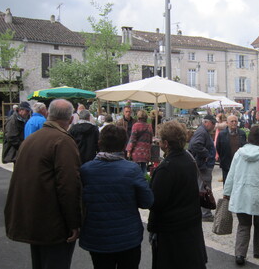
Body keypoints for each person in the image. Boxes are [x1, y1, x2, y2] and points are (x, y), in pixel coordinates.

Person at [4, 99, 82, 269]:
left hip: (33, 217)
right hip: (53, 222)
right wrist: (74, 222)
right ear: (70, 120)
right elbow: (68, 186)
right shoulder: (63, 141)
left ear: (48, 115)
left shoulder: (30, 140)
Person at [79, 124, 154, 269]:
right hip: (128, 237)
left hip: (97, 236)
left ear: (100, 143)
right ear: (124, 144)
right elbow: (147, 201)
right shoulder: (132, 170)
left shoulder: (86, 170)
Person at [148, 120, 207, 269]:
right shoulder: (189, 159)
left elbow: (155, 202)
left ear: (166, 143)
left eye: (160, 140)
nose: (159, 143)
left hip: (171, 231)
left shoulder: (166, 168)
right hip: (190, 226)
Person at [223, 126, 259, 265]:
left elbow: (231, 175)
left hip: (241, 195)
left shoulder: (239, 153)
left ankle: (240, 254)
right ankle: (258, 250)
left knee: (243, 225)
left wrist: (227, 193)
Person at [189, 114, 217, 221]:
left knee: (202, 187)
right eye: (212, 123)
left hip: (202, 164)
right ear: (206, 122)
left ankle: (203, 212)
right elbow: (195, 145)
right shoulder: (202, 132)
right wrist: (206, 154)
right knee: (204, 189)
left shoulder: (203, 131)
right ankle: (205, 214)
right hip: (203, 165)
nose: (214, 125)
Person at [216, 114, 247, 184]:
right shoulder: (222, 134)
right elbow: (218, 148)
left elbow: (245, 146)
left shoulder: (242, 134)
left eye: (235, 121)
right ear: (227, 123)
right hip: (227, 164)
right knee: (227, 184)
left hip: (239, 164)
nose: (234, 123)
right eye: (232, 121)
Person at [126, 110, 153, 174]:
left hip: (137, 152)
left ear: (138, 117)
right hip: (146, 152)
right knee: (144, 168)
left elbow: (132, 139)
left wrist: (129, 150)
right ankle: (145, 181)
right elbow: (150, 140)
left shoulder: (136, 125)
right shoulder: (149, 126)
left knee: (136, 169)